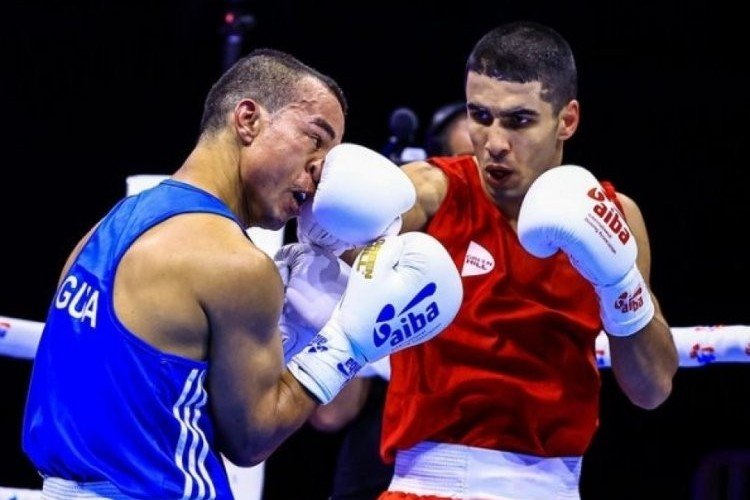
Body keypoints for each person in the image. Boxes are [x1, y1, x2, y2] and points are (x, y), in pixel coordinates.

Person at [20, 48, 464, 499]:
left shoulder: (108, 227)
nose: (320, 174)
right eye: (316, 139)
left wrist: (288, 332)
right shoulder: (236, 263)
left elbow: (146, 398)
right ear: (248, 119)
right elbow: (251, 439)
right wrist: (346, 346)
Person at [296, 21, 679, 499]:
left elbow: (652, 388)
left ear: (567, 120)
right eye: (481, 116)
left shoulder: (614, 216)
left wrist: (619, 281)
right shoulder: (433, 192)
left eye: (518, 121)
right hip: (427, 485)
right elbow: (345, 230)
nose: (494, 141)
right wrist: (327, 210)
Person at [306, 100, 475, 500]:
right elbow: (331, 414)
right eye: (463, 161)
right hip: (378, 469)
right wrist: (361, 345)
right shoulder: (380, 255)